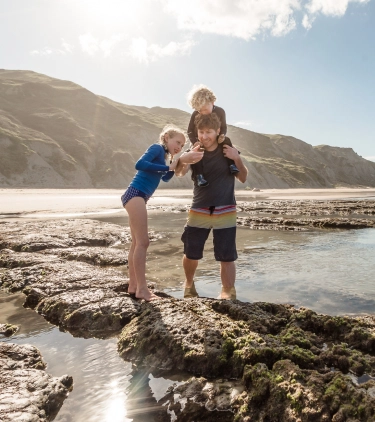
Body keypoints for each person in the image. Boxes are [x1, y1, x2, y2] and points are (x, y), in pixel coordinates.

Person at [175, 113, 248, 300]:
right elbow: (180, 173)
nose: (204, 136)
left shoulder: (227, 150)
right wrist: (184, 159)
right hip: (199, 207)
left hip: (226, 208)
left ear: (217, 132)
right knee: (191, 252)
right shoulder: (195, 150)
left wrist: (237, 158)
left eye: (209, 132)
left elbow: (243, 177)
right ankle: (189, 285)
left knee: (227, 255)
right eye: (201, 132)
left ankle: (227, 291)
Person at [121, 125, 186, 301]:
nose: (180, 147)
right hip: (135, 194)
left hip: (137, 196)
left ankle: (133, 286)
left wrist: (176, 165)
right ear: (166, 137)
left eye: (182, 145)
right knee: (143, 242)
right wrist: (168, 167)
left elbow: (164, 177)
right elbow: (139, 164)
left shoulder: (165, 157)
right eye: (177, 142)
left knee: (136, 244)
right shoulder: (156, 148)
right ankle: (143, 289)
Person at [187, 84, 239, 187]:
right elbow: (189, 130)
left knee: (227, 141)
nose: (203, 113)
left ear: (212, 102)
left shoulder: (220, 111)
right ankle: (199, 176)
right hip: (199, 139)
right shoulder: (195, 114)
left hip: (216, 138)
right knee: (197, 151)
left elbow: (223, 127)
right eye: (199, 111)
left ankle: (231, 165)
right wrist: (194, 142)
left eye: (205, 110)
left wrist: (222, 135)